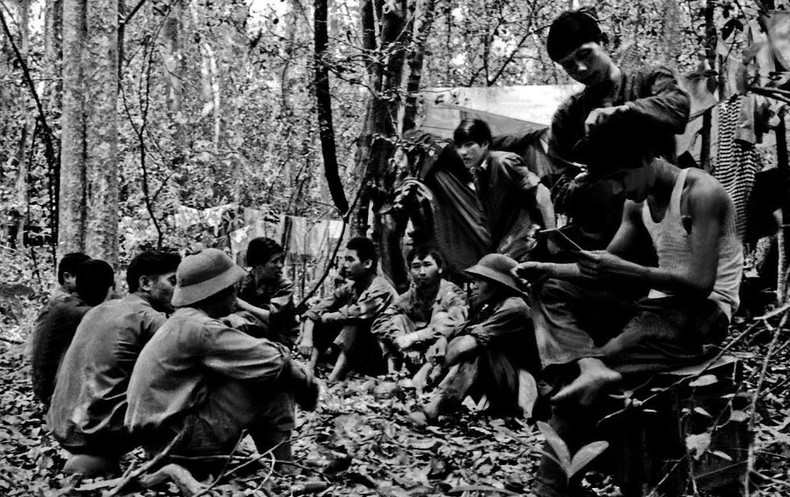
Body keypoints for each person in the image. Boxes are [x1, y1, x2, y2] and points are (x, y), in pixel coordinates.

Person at [515, 117, 743, 497]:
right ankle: (591, 367)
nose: (621, 188)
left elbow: (701, 286)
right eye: (614, 181)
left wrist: (630, 270)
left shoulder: (702, 192)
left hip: (704, 313)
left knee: (576, 393)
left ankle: (549, 488)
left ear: (647, 158)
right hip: (654, 307)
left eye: (623, 177)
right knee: (552, 288)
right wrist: (548, 267)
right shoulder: (637, 204)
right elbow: (604, 268)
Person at [125, 249, 319, 468]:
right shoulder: (201, 328)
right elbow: (275, 361)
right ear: (219, 291)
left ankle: (277, 461)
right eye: (232, 288)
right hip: (178, 444)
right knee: (271, 379)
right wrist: (306, 380)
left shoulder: (182, 321)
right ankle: (286, 466)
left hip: (161, 443)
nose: (235, 295)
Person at [546, 7, 690, 249]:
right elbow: (558, 189)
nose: (581, 69)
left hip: (664, 228)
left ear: (605, 42)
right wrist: (612, 187)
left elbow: (679, 109)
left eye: (586, 55)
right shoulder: (568, 116)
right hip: (602, 239)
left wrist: (623, 112)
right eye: (569, 65)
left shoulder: (649, 81)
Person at [47, 251, 181, 476]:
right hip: (97, 431)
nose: (178, 291)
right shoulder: (148, 317)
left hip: (61, 422)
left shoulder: (100, 309)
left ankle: (96, 464)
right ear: (145, 283)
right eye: (173, 281)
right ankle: (173, 461)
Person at [411, 254, 538, 424]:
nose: (474, 285)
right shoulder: (488, 307)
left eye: (480, 280)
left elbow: (463, 346)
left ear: (497, 284)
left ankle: (434, 409)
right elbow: (459, 332)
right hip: (501, 385)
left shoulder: (514, 307)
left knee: (475, 351)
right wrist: (442, 341)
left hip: (521, 388)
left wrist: (433, 366)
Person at [454, 119, 556, 261]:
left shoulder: (504, 162)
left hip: (526, 246)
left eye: (469, 144)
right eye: (458, 146)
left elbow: (543, 195)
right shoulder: (478, 174)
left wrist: (553, 238)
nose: (463, 152)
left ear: (484, 144)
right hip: (507, 249)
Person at [298, 237, 397, 381]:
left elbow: (357, 313)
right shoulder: (351, 287)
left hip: (384, 350)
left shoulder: (380, 287)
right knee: (321, 319)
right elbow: (316, 310)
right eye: (344, 259)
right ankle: (308, 371)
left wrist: (329, 316)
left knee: (352, 322)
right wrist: (307, 337)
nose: (344, 265)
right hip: (359, 348)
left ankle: (332, 379)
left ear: (367, 263)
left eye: (350, 260)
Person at [371, 246, 467, 382]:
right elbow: (380, 322)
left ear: (440, 269)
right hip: (411, 354)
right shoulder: (409, 296)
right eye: (416, 267)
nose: (421, 272)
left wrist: (415, 337)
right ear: (410, 271)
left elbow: (458, 321)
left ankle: (430, 378)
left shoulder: (452, 293)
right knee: (397, 320)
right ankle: (393, 375)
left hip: (440, 358)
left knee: (442, 318)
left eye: (427, 265)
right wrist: (402, 343)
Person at [29, 259, 115, 407]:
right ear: (108, 288)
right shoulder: (83, 313)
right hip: (56, 395)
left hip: (48, 388)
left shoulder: (67, 306)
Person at [234, 237, 298, 347]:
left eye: (280, 260)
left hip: (280, 336)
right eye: (274, 261)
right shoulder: (241, 281)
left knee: (244, 316)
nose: (280, 265)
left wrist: (241, 304)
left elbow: (272, 318)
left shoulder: (284, 285)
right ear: (258, 264)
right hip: (251, 330)